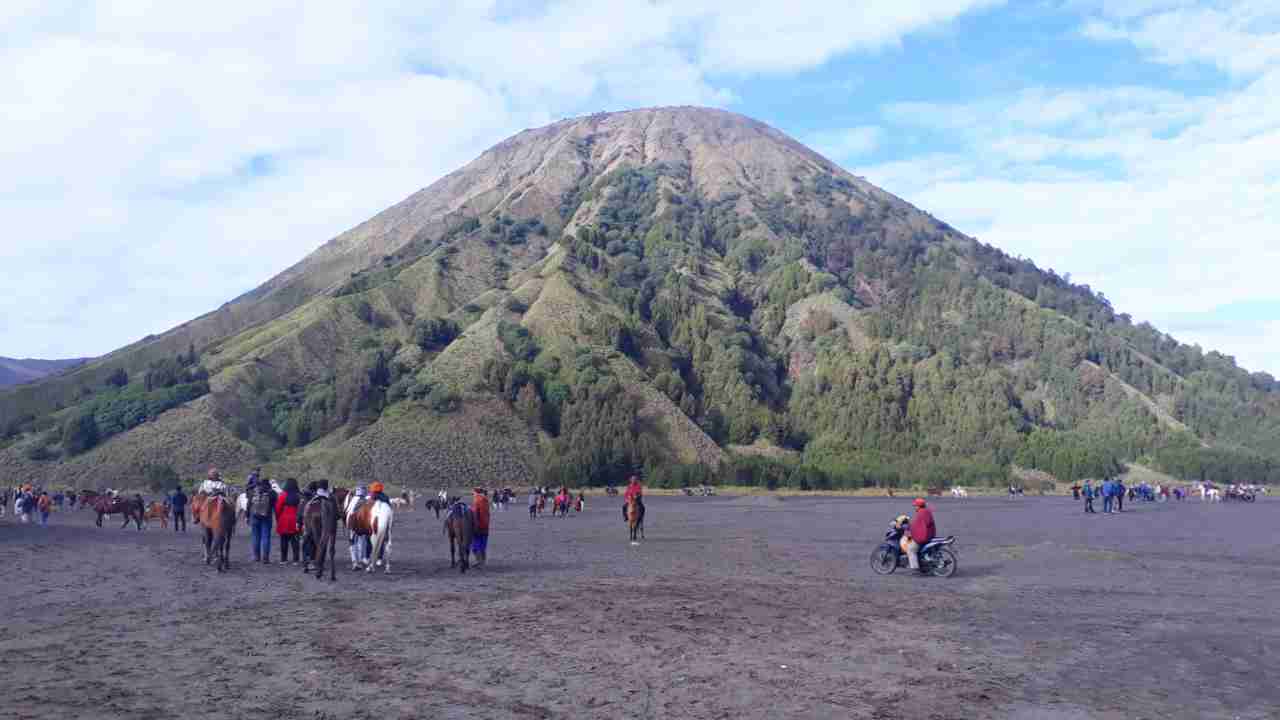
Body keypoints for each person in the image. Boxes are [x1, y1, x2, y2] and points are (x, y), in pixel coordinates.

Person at [248, 479, 277, 563]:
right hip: (267, 517)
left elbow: (248, 504)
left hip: (254, 516)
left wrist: (247, 516)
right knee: (265, 537)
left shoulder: (254, 492)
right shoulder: (272, 493)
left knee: (255, 537)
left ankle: (256, 557)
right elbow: (275, 506)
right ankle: (265, 558)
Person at [275, 478, 303, 564]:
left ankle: (284, 559)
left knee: (284, 540)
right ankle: (296, 560)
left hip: (284, 520)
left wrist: (278, 518)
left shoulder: (283, 495)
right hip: (295, 520)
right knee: (295, 541)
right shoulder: (299, 495)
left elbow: (278, 508)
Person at [907, 498, 937, 571]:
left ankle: (914, 567)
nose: (915, 507)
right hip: (930, 535)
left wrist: (908, 530)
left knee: (910, 548)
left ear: (918, 506)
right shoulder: (927, 511)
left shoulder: (920, 514)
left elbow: (916, 526)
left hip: (924, 537)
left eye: (915, 506)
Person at [472, 487, 491, 568]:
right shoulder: (486, 500)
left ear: (476, 493)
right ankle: (483, 562)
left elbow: (475, 514)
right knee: (483, 545)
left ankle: (479, 562)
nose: (473, 495)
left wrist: (474, 526)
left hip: (478, 527)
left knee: (475, 545)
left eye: (473, 493)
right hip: (486, 527)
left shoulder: (477, 501)